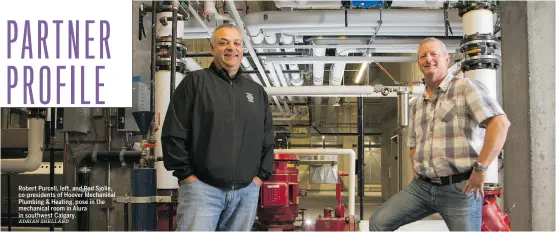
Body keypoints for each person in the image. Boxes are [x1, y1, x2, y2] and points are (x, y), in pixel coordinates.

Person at [368, 37, 511, 231]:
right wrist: (416, 166)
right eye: (423, 56)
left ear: (447, 59)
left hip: (460, 188)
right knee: (378, 223)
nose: (429, 59)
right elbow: (413, 142)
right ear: (419, 64)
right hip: (422, 188)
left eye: (434, 54)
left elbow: (500, 123)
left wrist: (480, 168)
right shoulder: (416, 104)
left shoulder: (465, 88)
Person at [161, 24, 275, 231]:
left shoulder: (256, 92)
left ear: (242, 50)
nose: (231, 48)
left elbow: (267, 138)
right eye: (223, 43)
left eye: (236, 43)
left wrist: (259, 177)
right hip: (202, 190)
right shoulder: (194, 83)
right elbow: (173, 132)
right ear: (213, 48)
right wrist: (187, 176)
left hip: (246, 192)